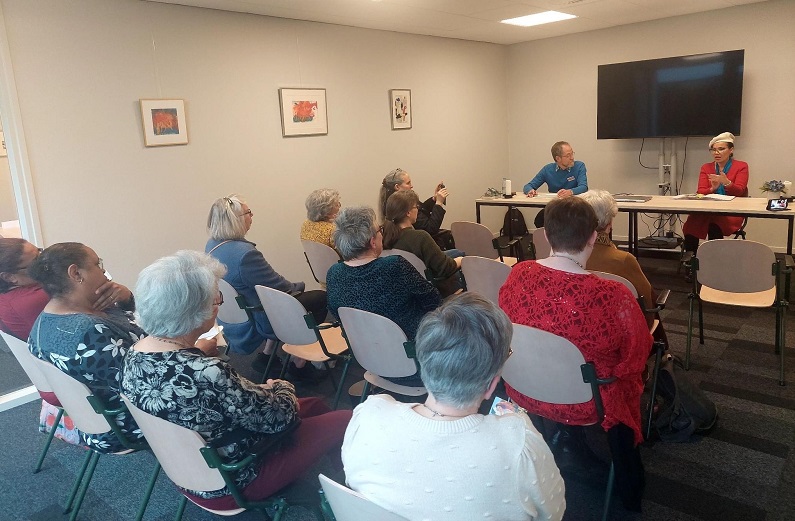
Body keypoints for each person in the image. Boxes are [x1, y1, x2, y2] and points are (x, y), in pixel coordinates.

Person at [121, 250, 351, 510]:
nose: (218, 305)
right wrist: (281, 386)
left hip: (187, 470)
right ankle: (352, 493)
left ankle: (342, 476)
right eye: (216, 299)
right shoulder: (206, 372)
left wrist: (257, 392)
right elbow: (280, 418)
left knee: (315, 406)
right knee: (347, 419)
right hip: (234, 478)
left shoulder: (134, 354)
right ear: (195, 311)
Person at [342, 293, 566, 521]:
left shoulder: (367, 417)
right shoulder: (519, 443)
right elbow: (553, 514)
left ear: (424, 362)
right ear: (491, 385)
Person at [498, 197, 651, 511]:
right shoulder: (613, 294)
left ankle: (567, 443)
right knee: (623, 379)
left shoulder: (518, 275)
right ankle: (629, 491)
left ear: (546, 235)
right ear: (593, 236)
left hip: (524, 386)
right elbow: (636, 355)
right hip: (589, 401)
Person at [27, 242, 142, 453]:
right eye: (97, 264)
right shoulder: (91, 334)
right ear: (76, 273)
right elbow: (146, 381)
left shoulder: (43, 322)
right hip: (123, 425)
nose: (104, 273)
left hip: (92, 420)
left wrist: (126, 298)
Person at [206, 194, 326, 380]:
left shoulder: (212, 246)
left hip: (236, 315)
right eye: (248, 212)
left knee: (265, 297)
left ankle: (267, 355)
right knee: (319, 299)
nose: (251, 216)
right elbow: (278, 287)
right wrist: (299, 286)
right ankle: (299, 363)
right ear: (235, 220)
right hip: (258, 318)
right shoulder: (244, 254)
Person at [327, 205, 440, 349]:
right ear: (372, 242)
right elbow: (434, 301)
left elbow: (337, 314)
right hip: (412, 348)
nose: (382, 233)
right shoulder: (394, 265)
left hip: (366, 351)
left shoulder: (333, 273)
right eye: (380, 230)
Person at [580, 190, 657, 327]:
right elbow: (647, 302)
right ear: (610, 223)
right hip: (619, 327)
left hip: (580, 325)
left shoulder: (567, 256)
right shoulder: (623, 260)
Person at [382, 190, 462, 296]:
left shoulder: (384, 237)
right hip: (429, 287)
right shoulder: (420, 237)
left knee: (457, 252)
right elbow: (445, 268)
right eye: (416, 207)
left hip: (406, 284)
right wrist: (463, 260)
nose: (418, 210)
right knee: (463, 257)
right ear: (408, 213)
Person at [682, 132, 749, 257]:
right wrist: (712, 188)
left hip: (731, 211)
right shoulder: (706, 167)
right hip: (707, 210)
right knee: (692, 223)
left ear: (731, 150)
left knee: (714, 225)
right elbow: (700, 192)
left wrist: (727, 183)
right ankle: (691, 260)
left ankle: (715, 260)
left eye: (721, 149)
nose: (716, 153)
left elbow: (740, 191)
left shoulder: (741, 166)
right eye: (713, 150)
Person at [379, 168, 457, 251]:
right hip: (419, 248)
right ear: (397, 187)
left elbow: (420, 211)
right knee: (458, 252)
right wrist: (439, 204)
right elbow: (431, 229)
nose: (412, 186)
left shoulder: (392, 203)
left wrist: (434, 199)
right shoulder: (402, 206)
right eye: (408, 183)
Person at [523, 141, 588, 228]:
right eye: (568, 155)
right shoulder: (547, 169)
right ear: (558, 158)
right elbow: (528, 186)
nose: (572, 158)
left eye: (572, 153)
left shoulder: (579, 166)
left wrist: (570, 192)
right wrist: (530, 191)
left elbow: (584, 187)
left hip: (573, 207)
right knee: (539, 220)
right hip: (555, 207)